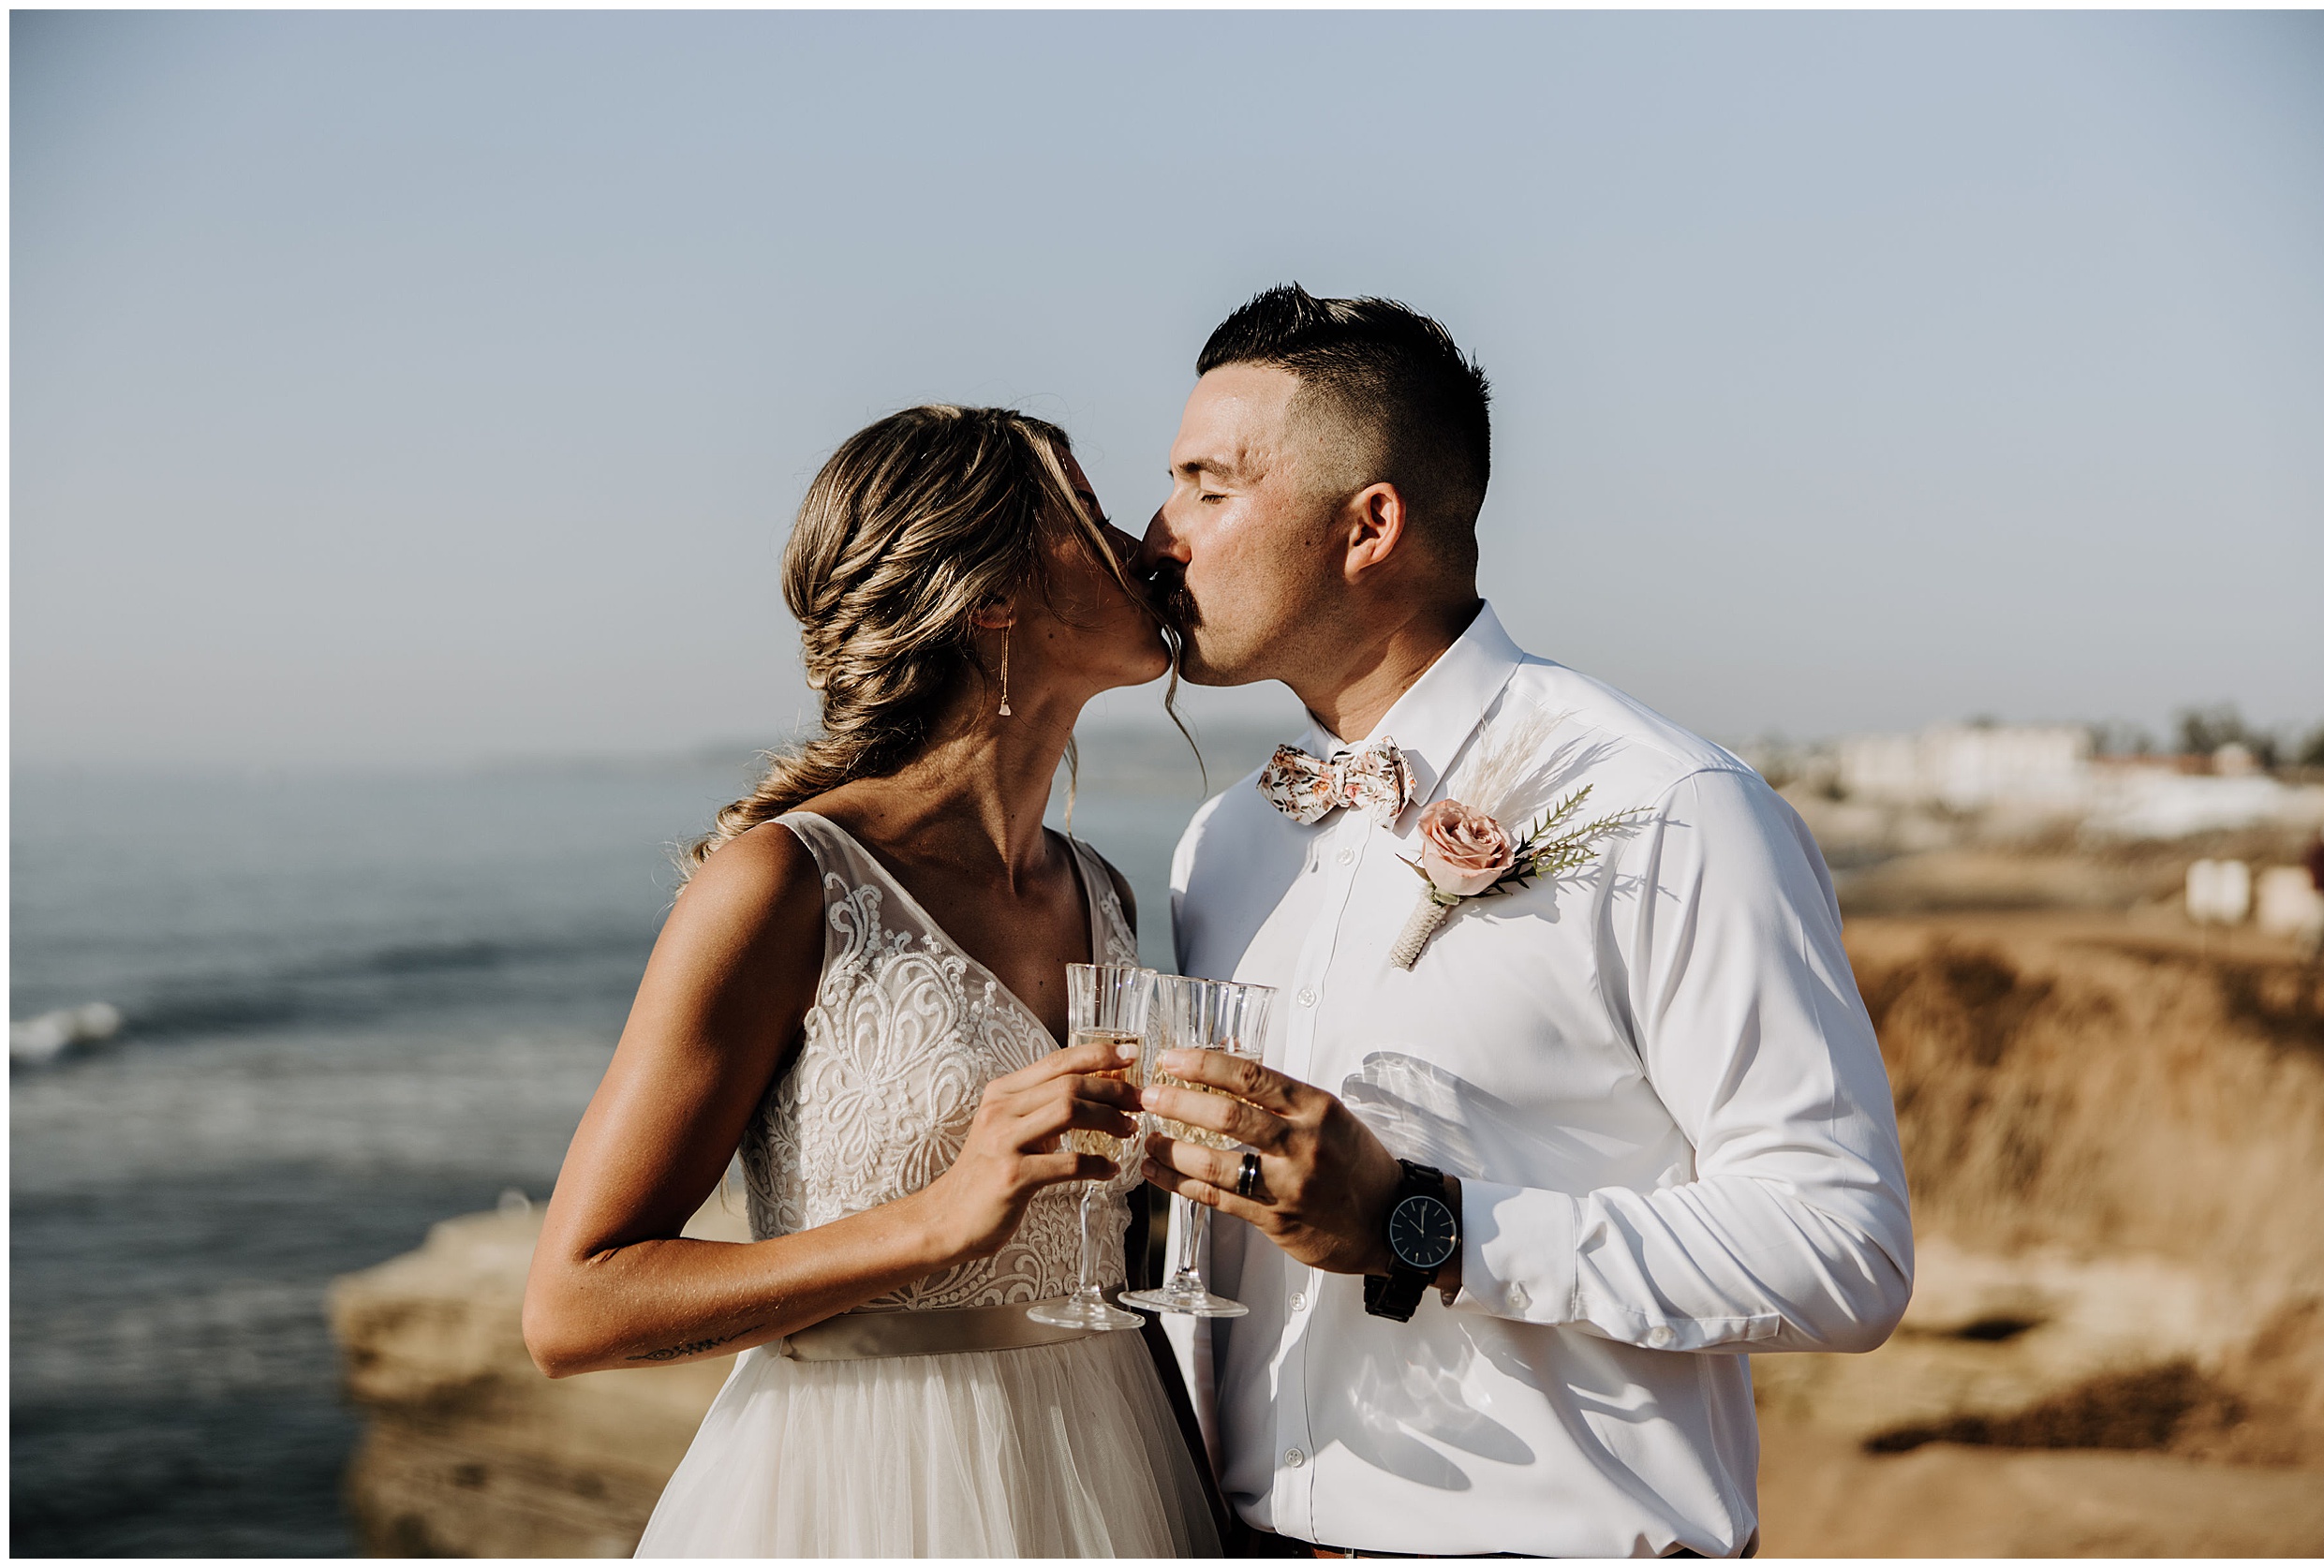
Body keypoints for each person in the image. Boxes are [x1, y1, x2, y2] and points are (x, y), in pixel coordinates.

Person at [1135, 286, 1915, 1558]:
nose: (1155, 537)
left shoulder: (1671, 807)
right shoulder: (1224, 846)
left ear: (1368, 524)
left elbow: (1844, 1245)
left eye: (1206, 486)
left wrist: (1423, 1222)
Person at [521, 405, 1221, 1556]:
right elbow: (574, 1306)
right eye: (1088, 516)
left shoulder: (1104, 896)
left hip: (1116, 1473)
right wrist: (933, 1222)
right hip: (860, 1493)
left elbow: (1112, 1274)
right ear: (989, 594)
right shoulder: (779, 887)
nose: (1146, 545)